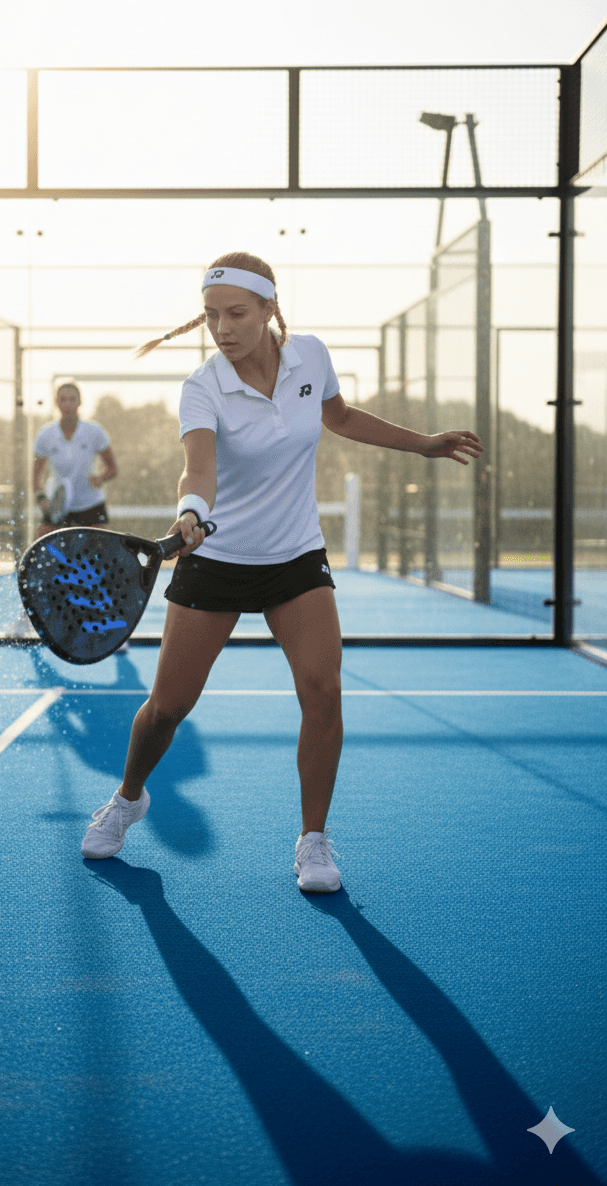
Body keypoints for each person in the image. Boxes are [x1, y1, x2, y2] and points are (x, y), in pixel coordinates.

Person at [80, 251, 483, 892]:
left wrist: (422, 443)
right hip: (216, 560)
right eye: (211, 315)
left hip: (295, 557)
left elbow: (340, 416)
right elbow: (198, 469)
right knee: (167, 709)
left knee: (323, 692)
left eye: (237, 313)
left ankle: (313, 840)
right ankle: (129, 798)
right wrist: (191, 512)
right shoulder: (202, 386)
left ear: (270, 307)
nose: (223, 328)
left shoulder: (311, 356)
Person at [33, 381, 118, 535]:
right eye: (63, 399)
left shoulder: (95, 432)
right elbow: (35, 477)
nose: (67, 404)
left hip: (91, 504)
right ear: (56, 403)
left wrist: (100, 478)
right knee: (43, 546)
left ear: (80, 402)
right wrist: (41, 498)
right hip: (57, 506)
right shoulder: (45, 435)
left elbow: (113, 469)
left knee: (102, 548)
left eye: (72, 399)